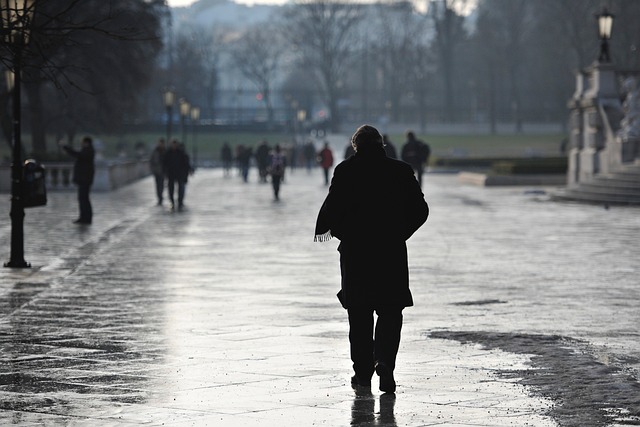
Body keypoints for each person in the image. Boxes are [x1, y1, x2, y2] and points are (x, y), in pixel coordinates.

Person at [314, 125, 429, 394]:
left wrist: (348, 234)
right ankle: (385, 361)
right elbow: (420, 210)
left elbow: (332, 213)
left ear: (356, 146)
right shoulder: (401, 171)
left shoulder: (345, 171)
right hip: (390, 252)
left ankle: (363, 373)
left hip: (356, 254)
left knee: (359, 315)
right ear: (381, 145)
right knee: (390, 311)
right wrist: (400, 233)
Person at [61, 136, 95, 225]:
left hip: (84, 179)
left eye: (83, 142)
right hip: (85, 179)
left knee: (83, 199)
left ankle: (85, 218)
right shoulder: (88, 151)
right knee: (84, 199)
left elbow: (78, 155)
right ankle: (85, 217)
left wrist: (67, 148)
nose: (82, 144)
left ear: (86, 142)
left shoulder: (88, 151)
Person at [164, 140, 192, 211]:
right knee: (171, 189)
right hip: (171, 174)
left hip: (179, 174)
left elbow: (186, 163)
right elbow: (164, 163)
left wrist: (189, 170)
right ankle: (172, 201)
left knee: (181, 188)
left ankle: (180, 201)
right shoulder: (168, 153)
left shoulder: (181, 153)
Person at [150, 138, 166, 205]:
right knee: (157, 185)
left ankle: (161, 197)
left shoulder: (165, 151)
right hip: (156, 171)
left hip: (162, 171)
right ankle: (159, 198)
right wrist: (153, 169)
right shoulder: (155, 151)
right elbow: (151, 160)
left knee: (161, 185)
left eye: (161, 143)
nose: (160, 144)